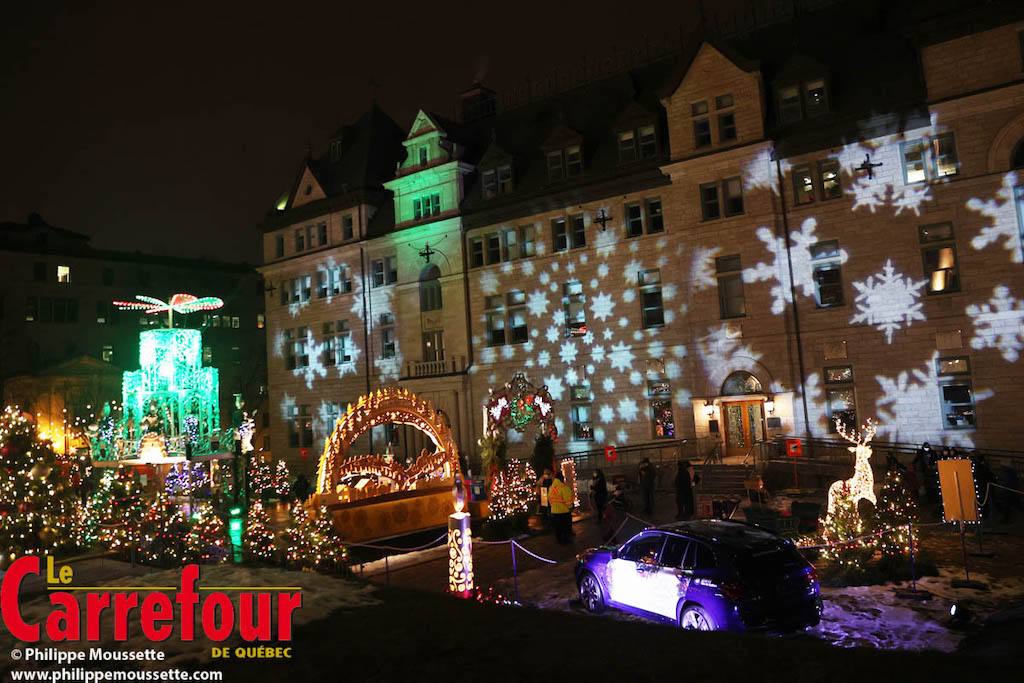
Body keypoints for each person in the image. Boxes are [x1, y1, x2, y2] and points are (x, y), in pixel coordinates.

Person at [549, 471, 573, 544]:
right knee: (565, 527)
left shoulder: (551, 488)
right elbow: (568, 500)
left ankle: (559, 539)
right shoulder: (564, 487)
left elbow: (549, 499)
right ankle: (566, 540)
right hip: (564, 511)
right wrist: (570, 507)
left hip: (554, 511)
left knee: (558, 527)